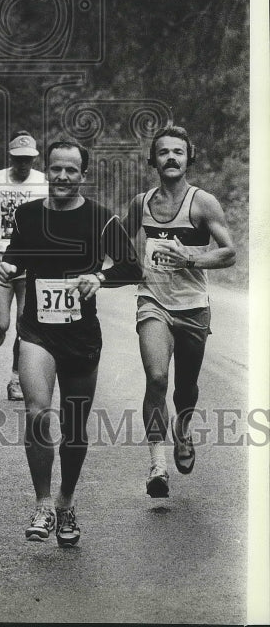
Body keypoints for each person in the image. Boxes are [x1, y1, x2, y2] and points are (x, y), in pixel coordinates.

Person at [0, 139, 141, 547]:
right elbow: (17, 256)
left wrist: (100, 278)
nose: (62, 176)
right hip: (37, 331)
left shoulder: (101, 219)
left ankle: (66, 502)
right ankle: (42, 503)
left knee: (74, 428)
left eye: (71, 170)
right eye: (56, 169)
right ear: (48, 171)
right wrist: (7, 266)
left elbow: (132, 267)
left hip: (81, 336)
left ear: (83, 175)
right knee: (38, 413)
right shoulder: (26, 215)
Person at [123, 125, 236, 499]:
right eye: (163, 152)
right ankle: (157, 463)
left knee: (184, 388)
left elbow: (229, 252)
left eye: (178, 152)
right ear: (152, 160)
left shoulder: (202, 203)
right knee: (156, 379)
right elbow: (119, 245)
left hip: (193, 308)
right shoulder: (141, 203)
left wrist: (191, 256)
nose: (171, 157)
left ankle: (183, 430)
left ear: (189, 158)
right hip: (153, 301)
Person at [0, 130, 48, 400]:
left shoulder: (44, 183)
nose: (23, 164)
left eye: (28, 158)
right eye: (18, 158)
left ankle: (16, 379)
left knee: (24, 326)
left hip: (30, 262)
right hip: (1, 259)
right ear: (11, 157)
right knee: (1, 324)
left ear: (35, 158)